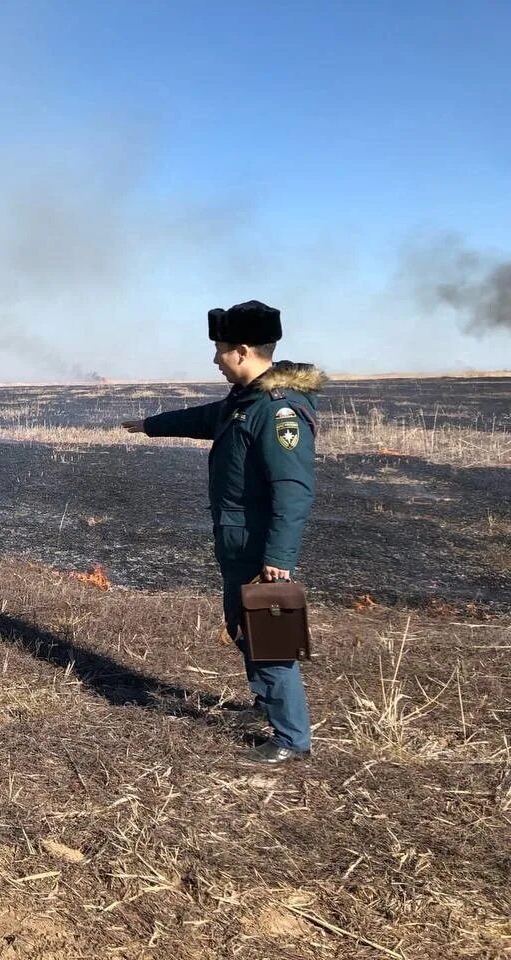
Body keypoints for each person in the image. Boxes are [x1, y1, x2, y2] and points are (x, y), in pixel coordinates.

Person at [122, 301, 326, 764]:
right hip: (236, 539)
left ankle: (291, 738)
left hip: (260, 545)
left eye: (220, 351)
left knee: (270, 639)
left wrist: (279, 557)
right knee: (243, 626)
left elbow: (293, 492)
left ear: (243, 350)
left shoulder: (278, 413)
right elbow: (203, 419)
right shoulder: (244, 402)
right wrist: (151, 426)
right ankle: (264, 708)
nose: (215, 360)